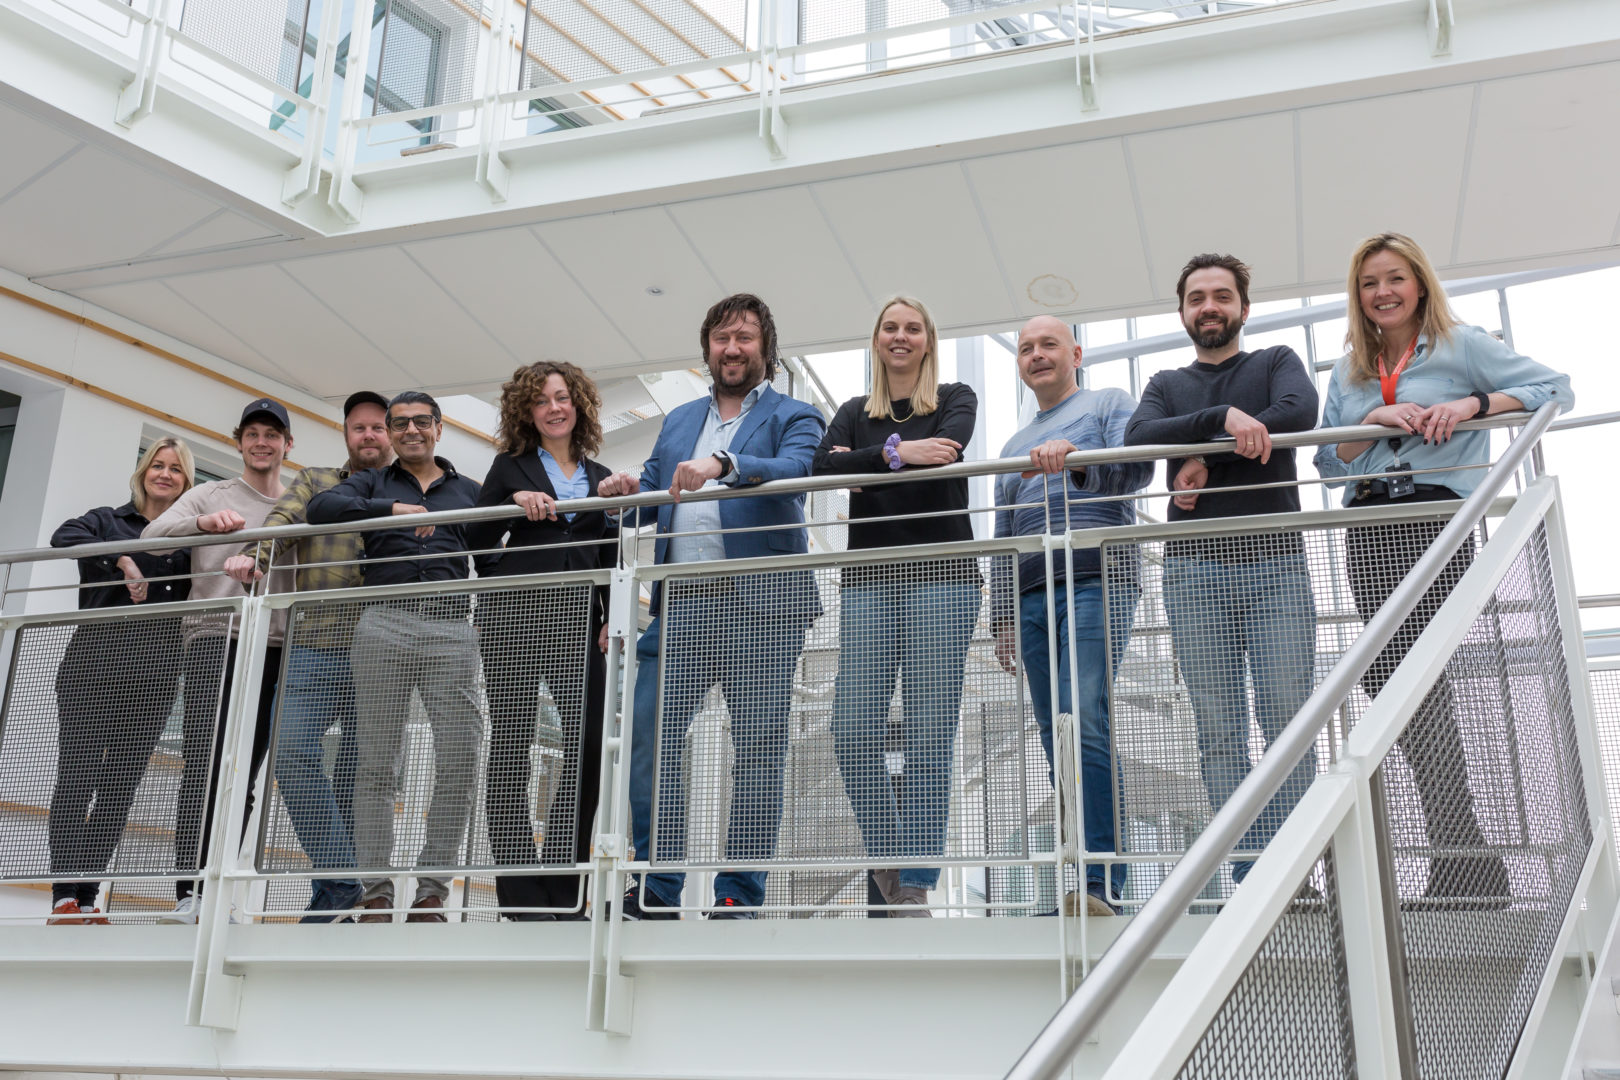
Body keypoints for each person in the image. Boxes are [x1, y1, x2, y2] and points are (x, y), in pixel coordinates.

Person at [1314, 232, 1574, 904]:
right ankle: (1469, 857)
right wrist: (1372, 417)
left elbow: (1555, 388)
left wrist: (1470, 406)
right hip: (1368, 524)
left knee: (1416, 675)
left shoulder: (1462, 346)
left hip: (1435, 517)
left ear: (1420, 284)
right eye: (1371, 283)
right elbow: (1326, 460)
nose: (1384, 293)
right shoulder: (1348, 372)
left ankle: (1468, 859)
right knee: (1392, 678)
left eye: (1395, 278)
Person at [597, 293, 825, 920]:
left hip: (762, 602)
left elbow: (796, 468)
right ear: (707, 350)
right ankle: (658, 886)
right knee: (651, 739)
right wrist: (624, 493)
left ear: (765, 350)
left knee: (755, 748)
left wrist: (724, 462)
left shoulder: (795, 413)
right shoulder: (679, 420)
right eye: (722, 337)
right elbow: (653, 493)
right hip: (683, 603)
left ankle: (737, 892)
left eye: (745, 337)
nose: (732, 347)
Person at [1124, 253, 1320, 890]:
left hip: (1276, 561)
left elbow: (1299, 413)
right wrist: (1220, 421)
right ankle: (1252, 872)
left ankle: (1295, 869)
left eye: (1221, 296)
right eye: (1196, 298)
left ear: (1242, 306)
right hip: (1193, 571)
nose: (1209, 307)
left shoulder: (1275, 363)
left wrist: (1205, 461)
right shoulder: (1165, 383)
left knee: (1287, 714)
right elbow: (1140, 438)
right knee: (1218, 727)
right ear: (1182, 312)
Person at [812, 297, 979, 917]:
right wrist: (899, 454)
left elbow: (949, 447)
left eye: (913, 328)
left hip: (945, 578)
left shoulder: (956, 396)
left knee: (930, 736)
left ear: (928, 340)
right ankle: (888, 853)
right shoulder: (856, 412)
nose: (901, 336)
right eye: (891, 327)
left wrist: (871, 462)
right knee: (851, 730)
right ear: (877, 340)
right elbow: (819, 468)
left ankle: (913, 880)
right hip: (869, 582)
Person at [307, 391, 487, 924]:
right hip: (384, 622)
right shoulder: (372, 482)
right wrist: (393, 510)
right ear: (388, 432)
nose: (411, 430)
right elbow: (322, 509)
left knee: (460, 757)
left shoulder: (469, 490)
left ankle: (432, 889)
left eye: (421, 422)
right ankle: (376, 892)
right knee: (376, 765)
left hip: (451, 627)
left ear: (439, 428)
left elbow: (498, 547)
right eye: (399, 423)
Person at [992, 316, 1151, 916]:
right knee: (1053, 733)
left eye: (1048, 344)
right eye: (1026, 348)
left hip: (1094, 578)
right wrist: (1002, 614)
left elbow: (1136, 470)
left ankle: (1102, 880)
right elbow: (1003, 534)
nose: (1036, 355)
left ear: (1075, 353)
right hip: (1031, 590)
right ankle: (1076, 878)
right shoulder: (1011, 447)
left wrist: (1077, 459)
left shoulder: (1109, 403)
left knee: (1085, 719)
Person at [222, 391, 394, 922]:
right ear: (346, 434)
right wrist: (253, 555)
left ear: (392, 433)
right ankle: (343, 880)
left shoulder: (411, 489)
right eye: (357, 427)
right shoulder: (319, 481)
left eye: (377, 428)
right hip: (316, 642)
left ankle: (339, 895)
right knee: (292, 755)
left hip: (384, 649)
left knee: (363, 776)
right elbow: (283, 520)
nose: (368, 436)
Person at [466, 362, 618, 922]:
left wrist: (609, 615)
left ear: (577, 404)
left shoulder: (601, 473)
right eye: (542, 401)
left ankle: (563, 878)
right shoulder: (510, 466)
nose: (555, 408)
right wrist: (515, 508)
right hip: (515, 615)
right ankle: (519, 890)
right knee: (511, 746)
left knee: (590, 742)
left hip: (579, 617)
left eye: (562, 397)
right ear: (526, 412)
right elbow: (477, 540)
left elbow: (609, 551)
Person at [144, 399, 295, 923]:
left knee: (247, 769)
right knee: (205, 763)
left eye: (271, 435)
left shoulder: (298, 499)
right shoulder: (207, 494)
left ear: (286, 445)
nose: (261, 442)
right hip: (214, 635)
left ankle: (220, 886)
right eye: (252, 433)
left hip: (275, 644)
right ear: (239, 442)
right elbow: (148, 537)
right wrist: (203, 524)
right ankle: (191, 892)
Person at [46, 437, 196, 924]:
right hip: (91, 670)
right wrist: (125, 558)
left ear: (186, 481)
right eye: (158, 465)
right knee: (79, 777)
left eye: (176, 469)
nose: (165, 474)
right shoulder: (107, 520)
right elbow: (62, 538)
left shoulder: (190, 539)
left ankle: (88, 897)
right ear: (143, 472)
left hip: (153, 679)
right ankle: (63, 896)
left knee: (118, 787)